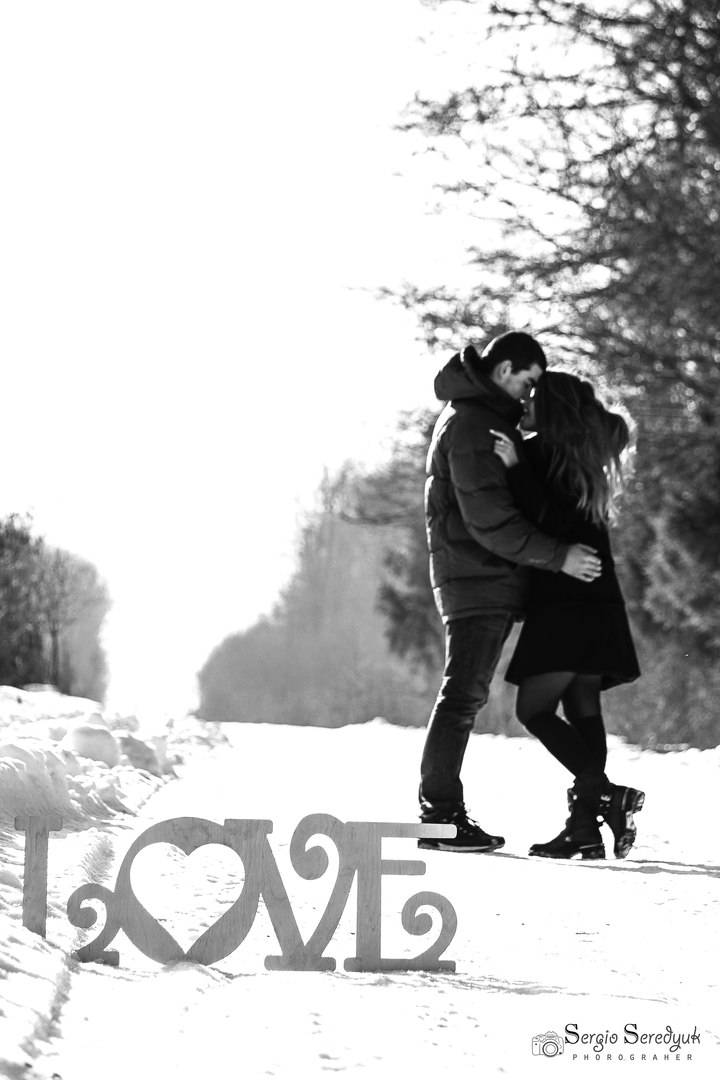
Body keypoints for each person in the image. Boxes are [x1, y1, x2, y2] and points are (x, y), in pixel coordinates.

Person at [419, 332, 603, 853]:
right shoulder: (474, 423)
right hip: (478, 578)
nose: (530, 394)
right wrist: (558, 555)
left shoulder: (481, 418)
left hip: (483, 577)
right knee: (462, 696)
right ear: (504, 371)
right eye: (528, 381)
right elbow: (489, 520)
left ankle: (442, 816)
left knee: (465, 695)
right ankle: (439, 819)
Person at [493, 370, 643, 860]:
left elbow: (550, 518)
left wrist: (515, 467)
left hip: (566, 602)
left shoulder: (544, 453)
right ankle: (583, 830)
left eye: (534, 396)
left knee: (534, 710)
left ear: (553, 407)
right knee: (582, 709)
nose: (526, 403)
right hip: (596, 600)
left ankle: (606, 796)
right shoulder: (583, 454)